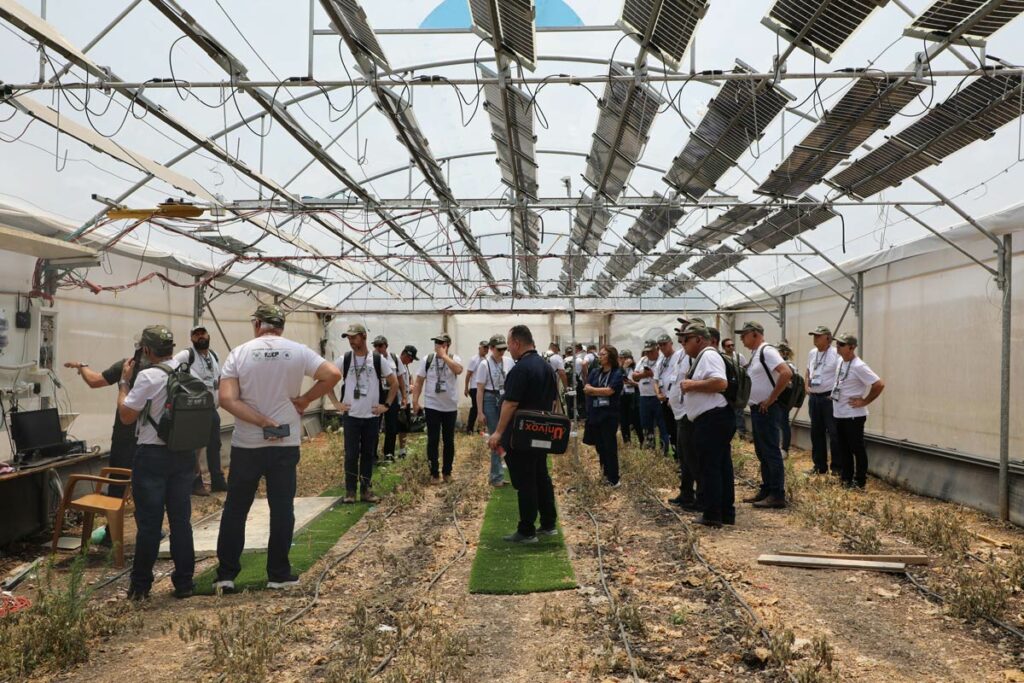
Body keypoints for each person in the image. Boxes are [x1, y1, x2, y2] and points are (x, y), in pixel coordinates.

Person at [213, 304, 341, 593]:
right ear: (281, 326)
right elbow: (332, 374)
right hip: (285, 442)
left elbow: (227, 399)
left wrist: (260, 421)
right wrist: (305, 399)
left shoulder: (240, 353)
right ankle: (278, 574)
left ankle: (226, 574)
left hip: (248, 443)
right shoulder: (297, 351)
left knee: (236, 508)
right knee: (281, 508)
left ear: (257, 324)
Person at [115, 325, 194, 600]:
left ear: (147, 350)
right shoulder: (188, 372)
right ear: (172, 348)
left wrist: (124, 383)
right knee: (181, 520)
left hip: (152, 455)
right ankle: (184, 583)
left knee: (149, 523)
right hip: (184, 455)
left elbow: (126, 416)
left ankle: (140, 587)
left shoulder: (147, 376)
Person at [487, 325, 560, 544]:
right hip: (542, 431)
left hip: (522, 434)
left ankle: (526, 530)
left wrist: (498, 432)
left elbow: (510, 403)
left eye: (509, 344)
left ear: (517, 343)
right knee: (541, 476)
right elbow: (554, 400)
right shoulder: (546, 367)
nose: (508, 349)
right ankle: (548, 524)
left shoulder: (520, 369)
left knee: (526, 481)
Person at [64, 344, 151, 506]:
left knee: (118, 483)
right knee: (149, 485)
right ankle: (151, 529)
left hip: (125, 434)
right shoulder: (166, 370)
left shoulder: (126, 366)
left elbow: (94, 381)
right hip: (152, 437)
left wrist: (82, 366)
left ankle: (113, 528)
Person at [333, 324, 398, 504]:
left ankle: (366, 490)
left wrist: (386, 405)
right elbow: (326, 379)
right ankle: (350, 491)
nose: (351, 342)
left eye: (354, 338)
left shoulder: (377, 360)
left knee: (368, 454)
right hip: (351, 416)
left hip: (371, 417)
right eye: (348, 338)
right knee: (351, 454)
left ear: (363, 337)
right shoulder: (344, 359)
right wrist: (335, 403)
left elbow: (394, 384)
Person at [680, 323, 736, 528]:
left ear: (698, 339)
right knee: (721, 466)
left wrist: (690, 385)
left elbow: (720, 383)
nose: (683, 343)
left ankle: (713, 514)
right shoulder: (703, 357)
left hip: (713, 419)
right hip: (714, 419)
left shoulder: (709, 355)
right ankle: (725, 512)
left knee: (710, 467)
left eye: (686, 339)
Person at [738, 321, 792, 509]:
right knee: (762, 451)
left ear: (754, 334)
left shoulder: (767, 351)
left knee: (770, 451)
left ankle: (777, 494)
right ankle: (767, 488)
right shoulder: (756, 354)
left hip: (767, 409)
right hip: (758, 409)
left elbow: (786, 373)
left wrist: (770, 399)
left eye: (744, 335)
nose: (741, 339)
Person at [172, 325, 227, 495]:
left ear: (208, 335)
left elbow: (217, 379)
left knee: (214, 444)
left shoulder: (214, 355)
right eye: (196, 335)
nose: (200, 336)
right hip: (195, 408)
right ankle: (195, 482)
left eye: (202, 333)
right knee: (196, 446)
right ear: (191, 339)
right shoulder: (186, 355)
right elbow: (170, 369)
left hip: (211, 407)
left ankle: (217, 480)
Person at [832, 334, 885, 489]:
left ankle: (859, 481)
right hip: (839, 413)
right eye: (838, 344)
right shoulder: (840, 361)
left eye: (842, 345)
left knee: (856, 448)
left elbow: (878, 384)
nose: (838, 347)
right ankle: (846, 478)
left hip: (853, 415)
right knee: (843, 448)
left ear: (852, 347)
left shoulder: (859, 366)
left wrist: (865, 401)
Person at [412, 333, 464, 483]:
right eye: (436, 342)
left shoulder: (454, 358)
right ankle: (434, 473)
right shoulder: (427, 360)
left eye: (441, 343)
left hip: (450, 406)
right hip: (432, 405)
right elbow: (419, 381)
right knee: (433, 439)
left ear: (447, 345)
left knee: (449, 440)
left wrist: (444, 356)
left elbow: (458, 370)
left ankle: (447, 472)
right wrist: (415, 401)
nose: (438, 345)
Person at [667, 322, 699, 510]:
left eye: (685, 332)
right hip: (679, 412)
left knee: (691, 456)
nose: (681, 335)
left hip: (688, 412)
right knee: (683, 456)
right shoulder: (680, 355)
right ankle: (685, 492)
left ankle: (694, 495)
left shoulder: (693, 356)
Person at [477, 334, 515, 488]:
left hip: (504, 398)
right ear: (491, 348)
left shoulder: (509, 362)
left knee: (507, 436)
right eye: (498, 349)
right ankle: (496, 476)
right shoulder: (484, 364)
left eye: (504, 349)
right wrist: (480, 412)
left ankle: (505, 473)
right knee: (495, 437)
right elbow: (479, 389)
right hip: (490, 398)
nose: (502, 352)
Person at [585, 346, 625, 487]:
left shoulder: (616, 373)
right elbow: (586, 388)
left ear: (610, 357)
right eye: (599, 354)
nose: (600, 357)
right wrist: (595, 391)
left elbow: (609, 391)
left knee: (609, 447)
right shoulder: (595, 372)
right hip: (596, 414)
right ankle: (605, 474)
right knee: (600, 447)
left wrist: (593, 391)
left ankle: (614, 478)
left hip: (609, 415)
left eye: (603, 354)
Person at [806, 325, 841, 476]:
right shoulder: (812, 353)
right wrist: (806, 385)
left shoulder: (836, 354)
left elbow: (841, 375)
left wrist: (834, 394)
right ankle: (819, 466)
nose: (815, 338)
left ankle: (837, 467)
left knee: (834, 433)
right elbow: (808, 370)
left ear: (828, 338)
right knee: (816, 432)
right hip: (814, 398)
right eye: (814, 335)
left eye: (818, 336)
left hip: (828, 399)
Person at [372, 335, 407, 462]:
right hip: (377, 395)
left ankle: (389, 453)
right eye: (375, 346)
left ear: (386, 346)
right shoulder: (372, 358)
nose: (378, 348)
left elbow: (400, 378)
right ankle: (372, 454)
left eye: (380, 345)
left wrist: (404, 396)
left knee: (392, 425)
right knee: (374, 425)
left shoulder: (394, 358)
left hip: (392, 394)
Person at [634, 340, 669, 455]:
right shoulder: (643, 360)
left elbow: (661, 375)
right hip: (644, 397)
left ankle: (666, 450)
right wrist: (645, 374)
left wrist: (648, 374)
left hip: (657, 397)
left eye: (651, 351)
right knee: (646, 425)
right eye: (647, 351)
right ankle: (650, 450)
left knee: (662, 425)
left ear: (657, 349)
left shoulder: (662, 360)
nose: (649, 354)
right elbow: (634, 376)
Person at [654, 333, 683, 459]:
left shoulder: (678, 357)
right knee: (669, 429)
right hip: (663, 400)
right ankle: (675, 455)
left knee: (678, 430)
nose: (662, 347)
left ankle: (681, 457)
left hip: (674, 400)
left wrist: (671, 396)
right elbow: (655, 380)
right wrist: (658, 393)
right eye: (660, 345)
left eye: (664, 344)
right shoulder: (660, 359)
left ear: (671, 343)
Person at [721, 338, 748, 438]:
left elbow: (746, 368)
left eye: (732, 345)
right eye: (728, 346)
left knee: (739, 409)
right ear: (724, 347)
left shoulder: (739, 356)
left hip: (738, 387)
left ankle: (741, 432)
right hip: (726, 386)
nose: (731, 347)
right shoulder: (722, 357)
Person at [396, 345, 418, 458]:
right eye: (411, 359)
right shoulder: (395, 364)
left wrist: (411, 385)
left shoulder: (406, 366)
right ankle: (389, 451)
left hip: (406, 401)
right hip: (397, 400)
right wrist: (408, 388)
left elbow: (410, 378)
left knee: (404, 426)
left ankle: (402, 450)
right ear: (405, 354)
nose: (412, 361)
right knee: (394, 427)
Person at [777, 342, 798, 459]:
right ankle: (782, 447)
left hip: (783, 399)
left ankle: (785, 449)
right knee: (782, 423)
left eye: (778, 351)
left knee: (784, 424)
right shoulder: (789, 364)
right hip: (784, 399)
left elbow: (788, 384)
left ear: (784, 353)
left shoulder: (787, 365)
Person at [464, 341, 488, 434]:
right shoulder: (474, 359)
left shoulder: (487, 360)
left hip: (484, 388)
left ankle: (480, 429)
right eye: (484, 347)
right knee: (475, 408)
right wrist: (466, 387)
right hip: (475, 388)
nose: (486, 349)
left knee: (483, 409)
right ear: (479, 348)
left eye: (487, 347)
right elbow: (468, 374)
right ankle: (469, 428)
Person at [619, 350, 642, 445]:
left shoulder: (636, 368)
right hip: (623, 395)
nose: (621, 360)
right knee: (623, 420)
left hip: (634, 396)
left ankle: (642, 440)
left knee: (636, 420)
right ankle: (627, 441)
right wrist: (623, 367)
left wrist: (633, 384)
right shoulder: (619, 369)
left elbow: (643, 384)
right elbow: (617, 378)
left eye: (623, 358)